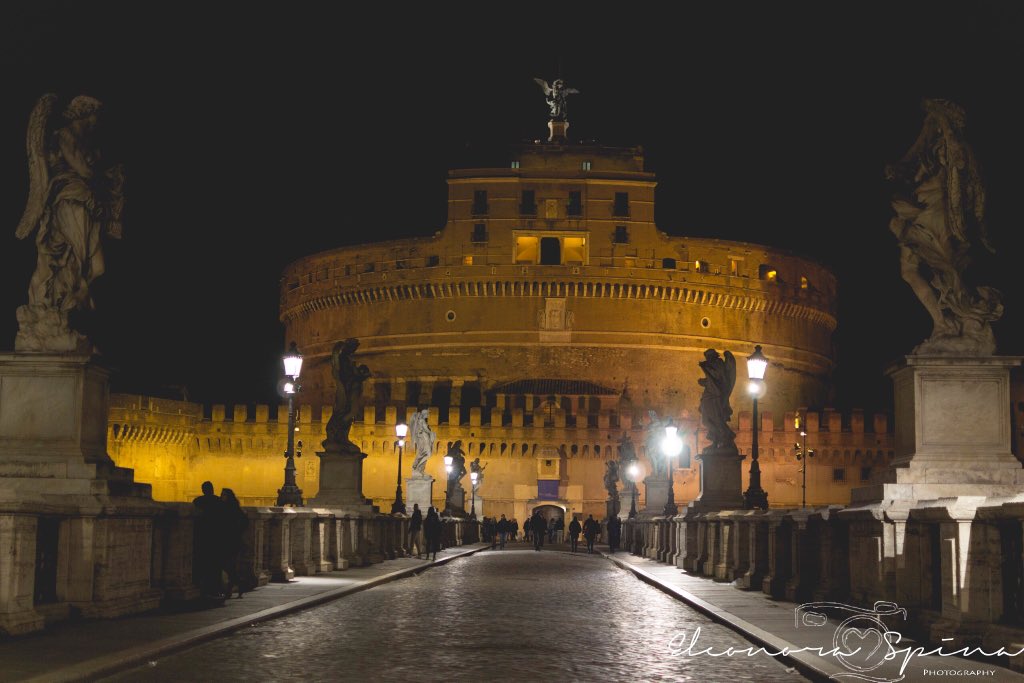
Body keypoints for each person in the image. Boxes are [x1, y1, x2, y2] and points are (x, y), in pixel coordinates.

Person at [191, 481, 225, 598]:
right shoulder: (218, 501)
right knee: (215, 566)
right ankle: (215, 589)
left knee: (203, 564)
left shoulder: (198, 501)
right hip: (216, 538)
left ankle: (203, 588)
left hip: (202, 538)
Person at [219, 488, 248, 598]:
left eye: (224, 495)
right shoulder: (232, 508)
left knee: (227, 565)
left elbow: (243, 522)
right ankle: (236, 585)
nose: (222, 497)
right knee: (229, 565)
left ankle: (235, 585)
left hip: (231, 541)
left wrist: (236, 531)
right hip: (230, 540)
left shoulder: (230, 509)